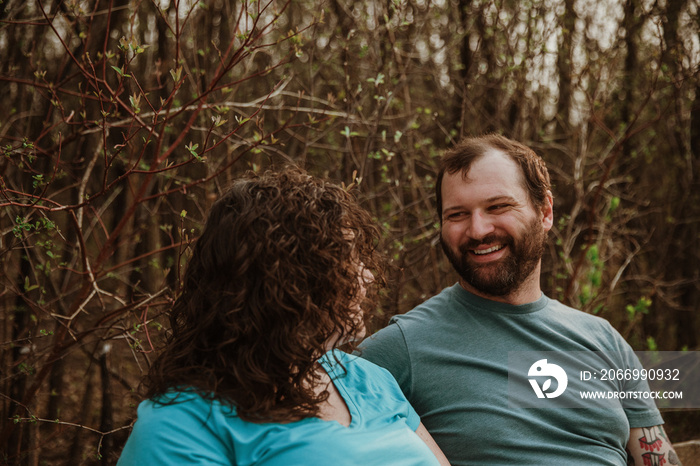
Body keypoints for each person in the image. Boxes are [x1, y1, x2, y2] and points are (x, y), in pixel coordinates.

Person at [359, 134, 681, 466]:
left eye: (498, 206)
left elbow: (657, 457)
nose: (478, 230)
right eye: (457, 214)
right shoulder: (400, 350)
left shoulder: (604, 340)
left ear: (545, 212)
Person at [118, 169, 449, 465]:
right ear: (286, 283)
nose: (366, 276)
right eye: (345, 261)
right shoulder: (183, 423)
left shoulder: (367, 379)